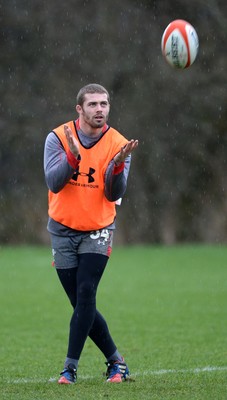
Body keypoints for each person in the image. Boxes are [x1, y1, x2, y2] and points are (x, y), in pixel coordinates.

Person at [43, 83, 138, 384]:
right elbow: (54, 183)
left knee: (86, 293)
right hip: (62, 230)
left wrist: (119, 165)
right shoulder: (57, 138)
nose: (100, 109)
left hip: (98, 229)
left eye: (105, 104)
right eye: (93, 104)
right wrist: (72, 157)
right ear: (79, 109)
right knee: (81, 304)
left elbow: (114, 193)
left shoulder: (119, 143)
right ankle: (116, 361)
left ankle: (69, 369)